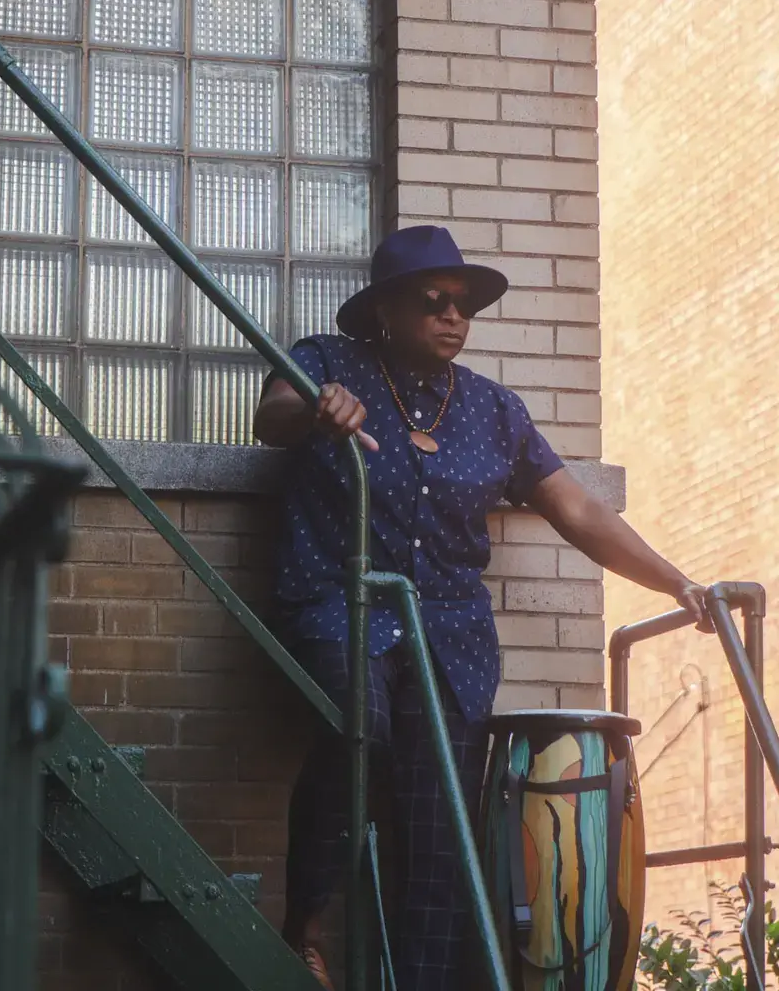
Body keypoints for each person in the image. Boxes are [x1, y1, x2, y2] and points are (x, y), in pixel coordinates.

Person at [253, 225, 709, 991]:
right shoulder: (330, 362)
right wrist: (315, 410)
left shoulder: (496, 411)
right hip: (344, 604)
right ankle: (304, 924)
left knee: (441, 828)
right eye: (432, 302)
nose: (453, 317)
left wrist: (676, 584)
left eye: (464, 306)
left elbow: (577, 510)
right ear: (385, 312)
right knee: (355, 723)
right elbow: (272, 417)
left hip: (452, 635)